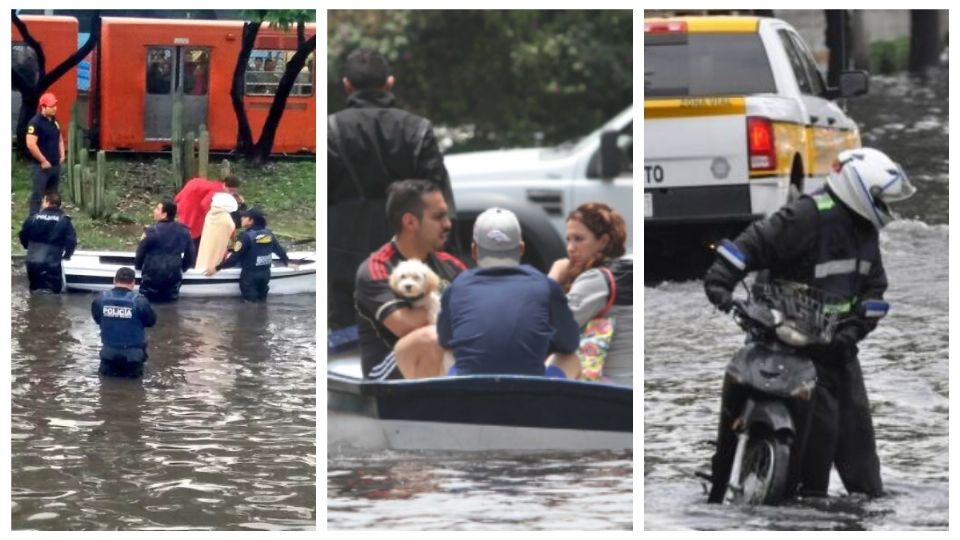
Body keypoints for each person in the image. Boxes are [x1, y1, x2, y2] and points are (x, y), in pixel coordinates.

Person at [702, 147, 917, 502]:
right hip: (784, 345)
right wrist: (720, 282)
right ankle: (726, 485)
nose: (886, 208)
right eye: (880, 198)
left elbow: (875, 289)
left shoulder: (865, 231)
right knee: (809, 474)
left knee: (864, 474)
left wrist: (853, 332)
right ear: (858, 187)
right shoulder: (805, 216)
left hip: (836, 352)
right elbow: (752, 244)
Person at [328, 48, 458, 329]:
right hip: (407, 252)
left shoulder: (331, 129)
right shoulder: (418, 128)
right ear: (389, 83)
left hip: (343, 251)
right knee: (412, 329)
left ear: (347, 85)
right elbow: (438, 198)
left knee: (346, 340)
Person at [432, 207, 580, 377]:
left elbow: (445, 339)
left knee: (448, 352)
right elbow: (570, 343)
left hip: (470, 394)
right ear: (521, 249)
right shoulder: (546, 286)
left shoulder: (457, 287)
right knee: (571, 358)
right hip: (533, 395)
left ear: (473, 251)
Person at [355, 180, 466, 380]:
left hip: (445, 357)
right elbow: (406, 326)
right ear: (410, 222)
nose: (448, 224)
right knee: (429, 337)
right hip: (386, 371)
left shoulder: (452, 265)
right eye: (439, 217)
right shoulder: (376, 268)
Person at [547, 202, 633, 385]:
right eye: (568, 239)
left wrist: (553, 279)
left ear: (603, 241)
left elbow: (547, 327)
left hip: (611, 388)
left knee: (563, 355)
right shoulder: (626, 269)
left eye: (578, 239)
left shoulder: (596, 279)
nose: (570, 248)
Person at [92, 267, 157, 378]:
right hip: (133, 358)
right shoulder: (140, 301)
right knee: (135, 390)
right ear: (133, 283)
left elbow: (98, 320)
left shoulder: (100, 299)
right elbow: (151, 322)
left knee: (106, 388)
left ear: (114, 280)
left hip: (108, 356)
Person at [216, 208, 291, 302]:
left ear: (251, 220)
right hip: (265, 274)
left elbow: (234, 259)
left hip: (250, 277)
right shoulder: (269, 234)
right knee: (262, 301)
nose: (241, 218)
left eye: (244, 217)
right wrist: (287, 262)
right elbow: (280, 251)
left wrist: (217, 268)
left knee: (250, 305)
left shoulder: (245, 236)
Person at [134, 200, 196, 302]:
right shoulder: (185, 231)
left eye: (157, 209)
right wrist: (182, 268)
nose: (154, 211)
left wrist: (138, 267)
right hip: (173, 274)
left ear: (164, 214)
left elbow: (140, 253)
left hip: (152, 274)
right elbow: (190, 256)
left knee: (147, 302)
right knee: (171, 304)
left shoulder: (150, 231)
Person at [18, 191, 77, 293]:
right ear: (59, 204)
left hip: (32, 262)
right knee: (52, 295)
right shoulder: (64, 220)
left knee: (34, 292)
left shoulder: (33, 218)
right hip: (51, 264)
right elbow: (71, 241)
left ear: (47, 202)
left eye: (43, 201)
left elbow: (23, 235)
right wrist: (67, 255)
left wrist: (28, 247)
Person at [175, 174, 243, 251]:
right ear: (228, 187)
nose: (232, 193)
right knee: (192, 231)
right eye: (232, 191)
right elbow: (204, 204)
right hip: (191, 207)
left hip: (185, 200)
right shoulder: (218, 191)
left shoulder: (217, 185)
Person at [25, 92, 65, 216]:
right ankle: (34, 219)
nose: (55, 108)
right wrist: (43, 160)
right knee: (38, 195)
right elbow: (31, 144)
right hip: (41, 167)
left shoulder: (54, 121)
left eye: (55, 105)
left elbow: (59, 138)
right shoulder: (35, 123)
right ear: (43, 106)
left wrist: (62, 154)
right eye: (51, 106)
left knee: (53, 196)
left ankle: (51, 218)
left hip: (55, 165)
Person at [195, 192, 238, 275]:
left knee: (204, 261)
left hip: (204, 253)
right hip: (219, 258)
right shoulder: (227, 220)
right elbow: (233, 240)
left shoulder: (209, 214)